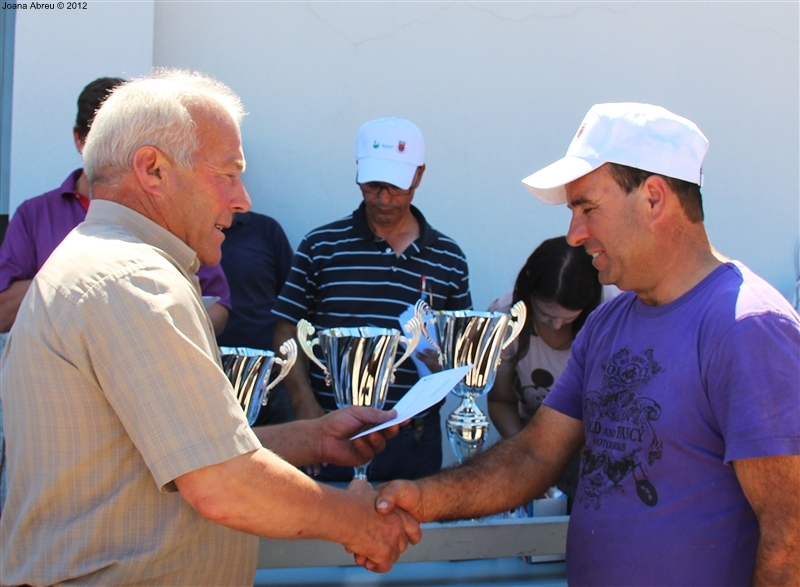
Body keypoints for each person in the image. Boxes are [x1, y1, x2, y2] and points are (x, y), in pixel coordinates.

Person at [0, 70, 419, 586]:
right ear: (152, 169)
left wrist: (311, 438)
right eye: (227, 173)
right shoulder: (134, 280)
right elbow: (220, 484)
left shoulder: (108, 265)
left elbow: (171, 456)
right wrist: (356, 521)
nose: (242, 199)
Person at [376, 102, 800, 586]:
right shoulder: (608, 322)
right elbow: (535, 455)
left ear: (655, 198)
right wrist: (421, 498)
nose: (574, 235)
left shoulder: (748, 326)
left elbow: (790, 533)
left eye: (587, 208)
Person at [273, 117, 472, 481]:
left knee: (413, 534)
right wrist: (305, 407)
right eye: (372, 185)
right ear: (358, 172)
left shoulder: (448, 257)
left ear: (418, 176)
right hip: (334, 431)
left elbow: (459, 343)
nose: (383, 198)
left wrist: (457, 364)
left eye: (395, 187)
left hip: (415, 436)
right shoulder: (322, 247)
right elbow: (287, 326)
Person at [0, 76, 232, 335]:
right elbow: (3, 312)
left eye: (127, 141)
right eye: (102, 140)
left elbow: (219, 302)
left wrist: (169, 337)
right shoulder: (34, 216)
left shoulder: (169, 211)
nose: (116, 152)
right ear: (79, 139)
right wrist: (83, 278)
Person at [486, 236, 603, 509]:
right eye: (546, 315)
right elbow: (500, 400)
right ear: (528, 297)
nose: (557, 325)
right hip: (530, 437)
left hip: (595, 445)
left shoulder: (612, 311)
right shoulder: (504, 318)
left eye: (569, 318)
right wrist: (523, 452)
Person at [217, 210, 296, 424]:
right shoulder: (182, 232)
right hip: (210, 378)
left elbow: (291, 305)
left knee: (284, 454)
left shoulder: (266, 230)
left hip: (271, 378)